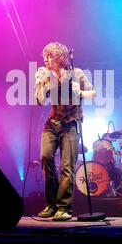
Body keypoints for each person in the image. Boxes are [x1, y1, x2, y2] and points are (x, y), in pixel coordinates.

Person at [35, 42, 95, 221]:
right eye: (44, 56)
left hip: (70, 124)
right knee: (46, 158)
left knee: (67, 166)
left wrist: (81, 93)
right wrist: (38, 84)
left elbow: (93, 92)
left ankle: (64, 208)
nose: (45, 59)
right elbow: (40, 101)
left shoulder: (76, 73)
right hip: (52, 124)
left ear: (60, 57)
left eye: (49, 56)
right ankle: (51, 205)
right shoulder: (46, 74)